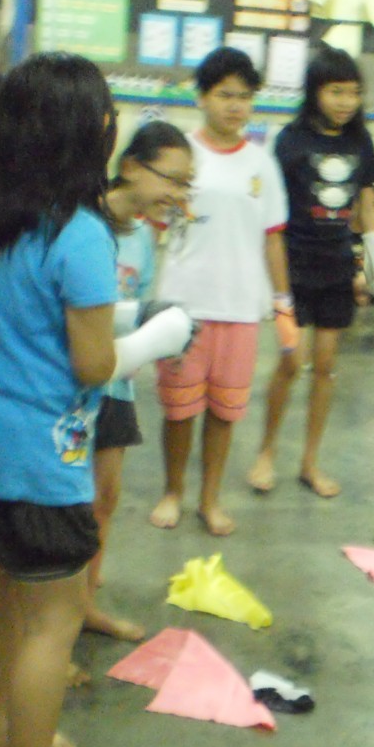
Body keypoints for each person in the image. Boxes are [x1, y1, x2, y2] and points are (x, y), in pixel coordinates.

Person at [0, 53, 193, 747]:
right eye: (107, 111)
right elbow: (91, 364)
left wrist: (129, 318)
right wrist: (156, 339)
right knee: (52, 623)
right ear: (85, 131)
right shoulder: (82, 231)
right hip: (36, 452)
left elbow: (38, 316)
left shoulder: (4, 211)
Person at [150, 48, 293, 536]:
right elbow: (152, 223)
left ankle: (209, 500)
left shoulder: (262, 164)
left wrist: (284, 304)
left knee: (224, 412)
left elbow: (272, 237)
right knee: (178, 410)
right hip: (182, 305)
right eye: (225, 95)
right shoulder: (180, 157)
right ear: (202, 97)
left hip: (240, 308)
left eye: (245, 97)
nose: (235, 106)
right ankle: (173, 491)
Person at [247, 47, 374, 499]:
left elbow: (367, 212)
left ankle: (310, 462)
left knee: (326, 368)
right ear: (315, 92)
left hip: (336, 268)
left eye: (354, 93)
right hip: (293, 268)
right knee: (291, 363)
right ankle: (266, 451)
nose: (346, 102)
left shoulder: (361, 141)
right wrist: (266, 282)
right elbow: (270, 214)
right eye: (336, 91)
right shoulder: (291, 140)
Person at [86, 120, 194, 643]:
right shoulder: (83, 226)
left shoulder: (145, 238)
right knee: (65, 505)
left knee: (105, 497)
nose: (176, 195)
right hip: (71, 387)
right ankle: (56, 615)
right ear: (129, 166)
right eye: (170, 179)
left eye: (184, 185)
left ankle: (84, 602)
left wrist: (162, 336)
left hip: (116, 385)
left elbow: (137, 309)